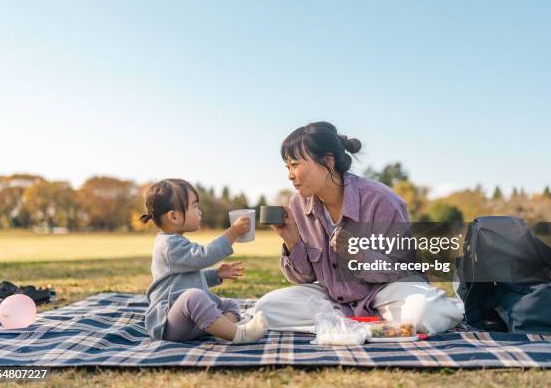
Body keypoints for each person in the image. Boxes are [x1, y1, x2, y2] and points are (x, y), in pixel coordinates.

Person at [255, 122, 463, 334]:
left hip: (387, 293)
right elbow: (304, 279)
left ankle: (346, 324)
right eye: (287, 167)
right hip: (334, 298)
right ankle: (369, 325)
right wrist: (292, 241)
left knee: (423, 312)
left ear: (328, 161)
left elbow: (403, 270)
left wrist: (359, 255)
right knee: (266, 309)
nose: (290, 175)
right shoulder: (297, 206)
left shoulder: (382, 201)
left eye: (295, 164)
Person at [141, 178, 268, 343]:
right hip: (170, 323)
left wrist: (216, 274)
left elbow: (185, 278)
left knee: (229, 304)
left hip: (190, 323)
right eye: (194, 206)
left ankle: (223, 330)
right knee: (194, 297)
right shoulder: (168, 245)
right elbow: (203, 256)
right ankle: (240, 335)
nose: (200, 212)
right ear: (173, 216)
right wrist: (233, 232)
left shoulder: (175, 242)